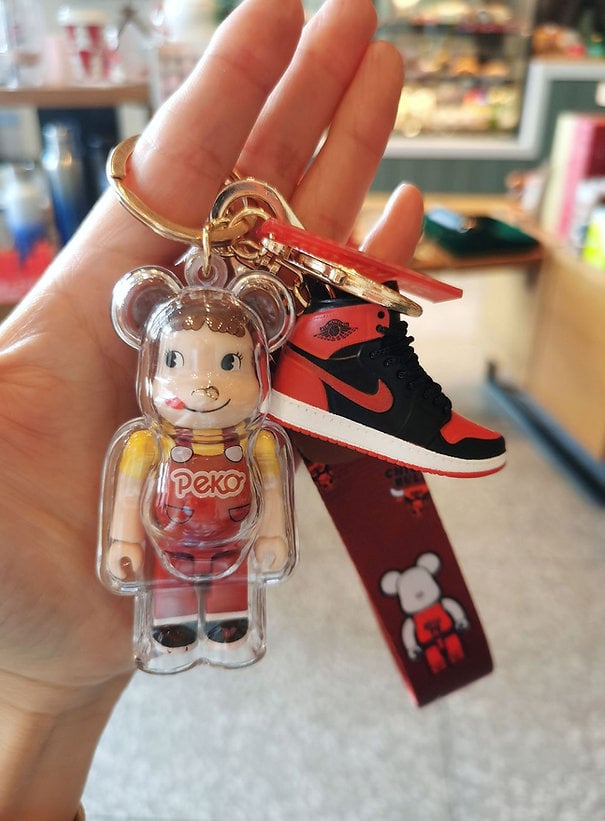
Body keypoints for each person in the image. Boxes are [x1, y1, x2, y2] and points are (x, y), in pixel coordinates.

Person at [0, 0, 424, 817]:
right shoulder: (143, 444)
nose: (203, 384)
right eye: (181, 363)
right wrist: (121, 544)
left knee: (228, 588)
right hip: (168, 550)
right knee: (168, 593)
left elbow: (272, 498)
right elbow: (126, 500)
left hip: (228, 552)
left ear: (259, 349)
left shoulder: (257, 441)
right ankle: (171, 622)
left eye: (229, 364)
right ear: (150, 350)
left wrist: (271, 537)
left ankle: (224, 621)